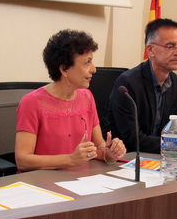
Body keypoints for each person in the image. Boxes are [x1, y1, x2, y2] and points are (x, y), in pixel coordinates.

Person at [104, 18, 177, 154]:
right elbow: (132, 139)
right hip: (127, 158)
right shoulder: (128, 83)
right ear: (151, 50)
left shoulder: (175, 81)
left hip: (158, 157)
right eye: (170, 46)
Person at [15, 29, 127, 171]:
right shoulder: (31, 102)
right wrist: (70, 159)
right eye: (87, 62)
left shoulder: (86, 97)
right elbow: (23, 160)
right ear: (64, 69)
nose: (94, 69)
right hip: (43, 184)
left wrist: (110, 153)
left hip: (82, 183)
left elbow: (98, 148)